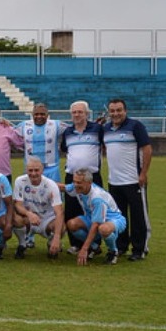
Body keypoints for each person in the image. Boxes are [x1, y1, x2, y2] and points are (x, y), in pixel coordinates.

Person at [102, 98, 151, 261]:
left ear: (125, 111)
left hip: (134, 180)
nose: (116, 113)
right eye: (113, 110)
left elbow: (147, 149)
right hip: (114, 181)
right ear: (109, 112)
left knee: (138, 216)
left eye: (119, 110)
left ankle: (139, 249)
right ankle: (121, 246)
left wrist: (143, 173)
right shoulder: (106, 128)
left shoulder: (135, 126)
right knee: (119, 217)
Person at [60, 100, 104, 255]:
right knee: (71, 210)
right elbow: (65, 150)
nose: (77, 115)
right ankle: (76, 244)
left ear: (87, 113)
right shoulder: (68, 132)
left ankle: (94, 244)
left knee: (93, 210)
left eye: (80, 112)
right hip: (72, 176)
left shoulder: (97, 129)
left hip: (91, 177)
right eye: (74, 112)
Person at [64, 169, 126, 266]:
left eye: (79, 182)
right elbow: (62, 187)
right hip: (92, 217)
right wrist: (41, 181)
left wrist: (84, 249)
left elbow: (96, 225)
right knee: (72, 224)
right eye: (74, 181)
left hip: (113, 219)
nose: (75, 185)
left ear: (89, 183)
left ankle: (113, 251)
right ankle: (94, 247)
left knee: (103, 229)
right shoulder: (78, 187)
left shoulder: (97, 198)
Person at [12, 157, 64, 259]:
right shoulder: (20, 181)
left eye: (36, 170)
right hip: (29, 218)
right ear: (26, 170)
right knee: (16, 219)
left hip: (47, 219)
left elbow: (59, 212)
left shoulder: (51, 185)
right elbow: (18, 205)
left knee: (61, 227)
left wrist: (57, 237)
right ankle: (22, 245)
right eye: (30, 170)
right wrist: (29, 214)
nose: (33, 173)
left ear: (42, 170)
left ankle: (52, 242)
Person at [14, 103, 66, 183]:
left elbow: (73, 128)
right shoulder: (24, 125)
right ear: (32, 114)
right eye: (36, 114)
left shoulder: (56, 125)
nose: (39, 116)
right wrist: (4, 123)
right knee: (31, 194)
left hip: (51, 168)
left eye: (42, 114)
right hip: (31, 170)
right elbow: (10, 132)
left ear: (47, 115)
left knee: (53, 194)